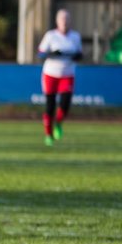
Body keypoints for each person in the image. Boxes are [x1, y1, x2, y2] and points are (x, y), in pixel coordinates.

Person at [37, 8, 83, 146]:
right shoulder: (51, 36)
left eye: (67, 19)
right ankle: (48, 135)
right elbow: (40, 54)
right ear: (57, 21)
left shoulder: (75, 37)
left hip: (67, 74)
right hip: (51, 74)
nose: (65, 21)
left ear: (70, 21)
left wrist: (77, 56)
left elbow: (80, 54)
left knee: (65, 105)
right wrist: (52, 54)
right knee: (50, 106)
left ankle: (59, 123)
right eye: (62, 19)